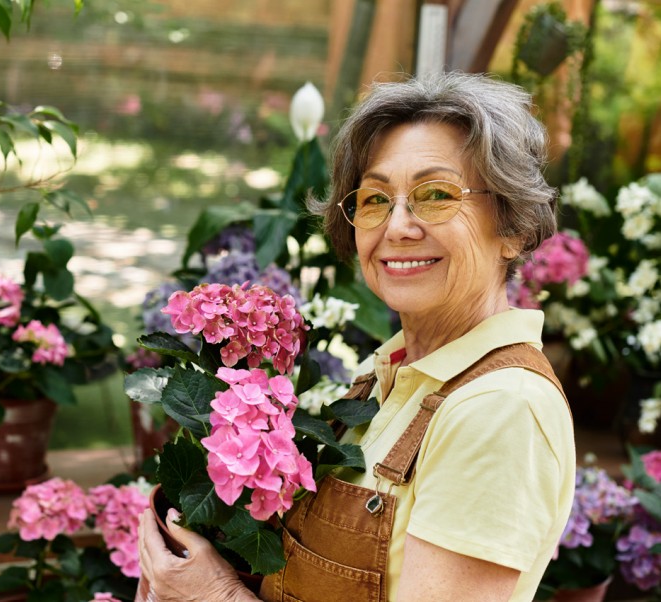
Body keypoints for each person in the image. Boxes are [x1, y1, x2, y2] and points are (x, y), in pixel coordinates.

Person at [136, 71, 576, 602]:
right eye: (373, 199)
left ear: (513, 229)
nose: (397, 226)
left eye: (434, 195)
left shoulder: (500, 410)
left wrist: (216, 596)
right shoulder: (381, 378)